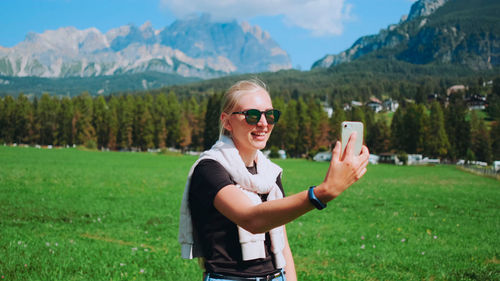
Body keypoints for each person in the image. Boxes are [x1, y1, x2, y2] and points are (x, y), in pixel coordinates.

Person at [179, 79, 369, 281]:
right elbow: (251, 219)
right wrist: (322, 193)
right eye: (252, 115)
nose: (263, 123)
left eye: (270, 115)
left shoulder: (269, 173)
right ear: (227, 122)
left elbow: (282, 243)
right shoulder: (209, 168)